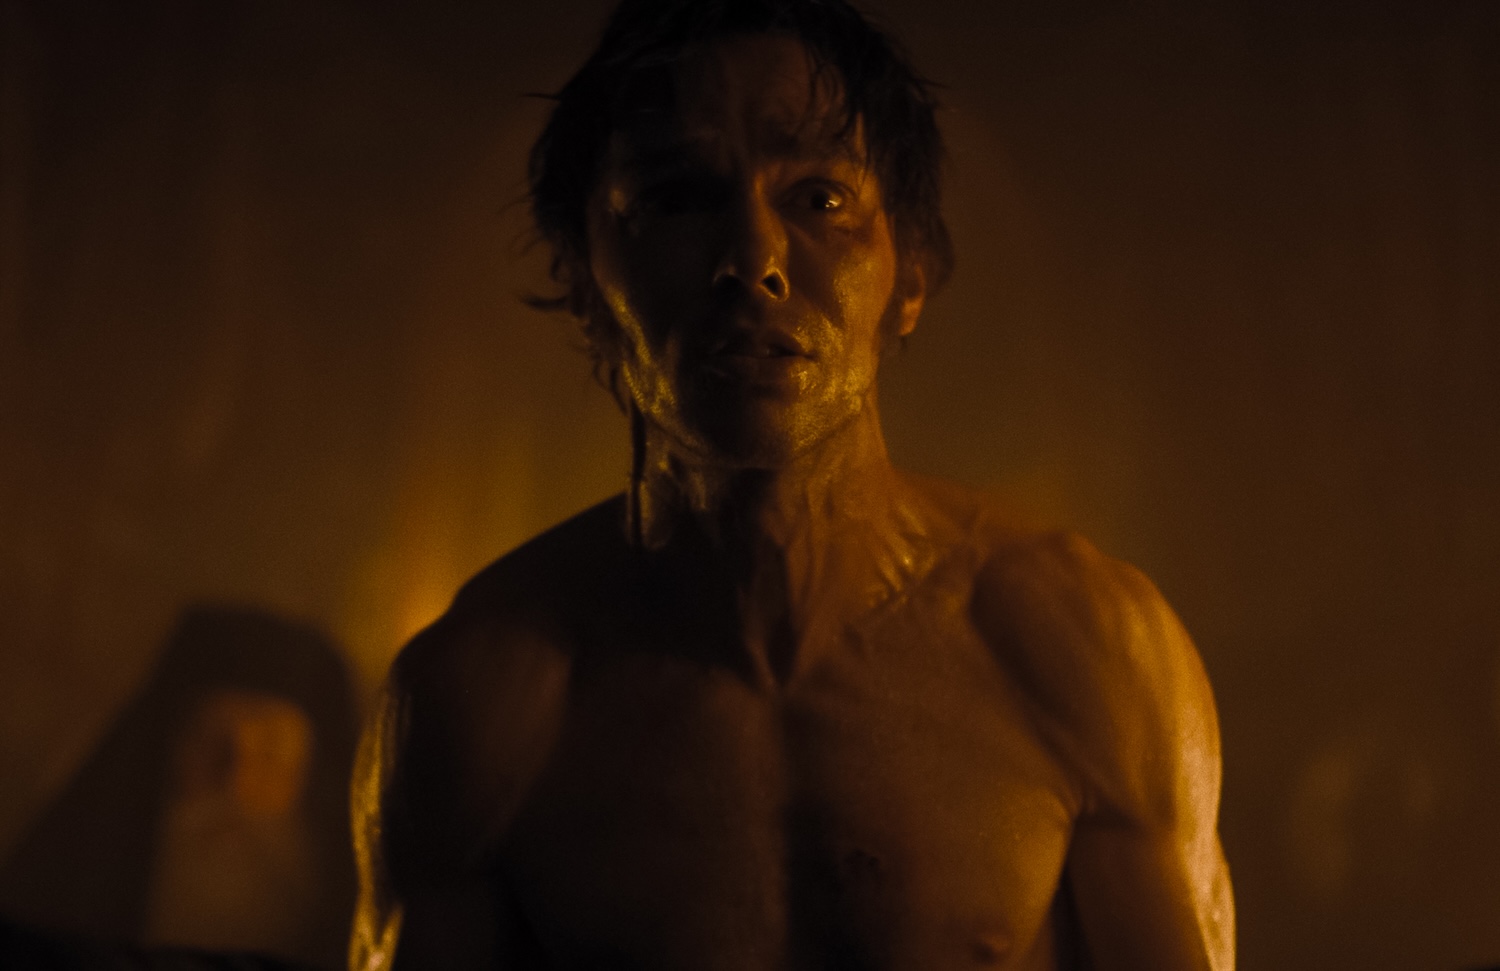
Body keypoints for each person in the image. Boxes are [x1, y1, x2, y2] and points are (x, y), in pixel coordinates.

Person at [350, 0, 1235, 968]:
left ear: (910, 274)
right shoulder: (483, 700)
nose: (754, 261)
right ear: (586, 280)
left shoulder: (1081, 649)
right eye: (678, 198)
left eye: (819, 199)